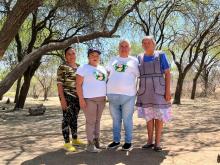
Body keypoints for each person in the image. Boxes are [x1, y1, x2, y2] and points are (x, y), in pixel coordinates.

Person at [136, 36, 172, 152]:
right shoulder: (139, 57)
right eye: (144, 43)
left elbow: (167, 73)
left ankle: (157, 143)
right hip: (144, 91)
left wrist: (167, 91)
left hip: (159, 91)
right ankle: (149, 141)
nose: (146, 45)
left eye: (149, 42)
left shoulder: (161, 55)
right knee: (148, 117)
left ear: (154, 44)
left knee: (159, 116)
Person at [106, 39, 139, 151]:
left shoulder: (134, 61)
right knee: (116, 119)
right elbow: (107, 74)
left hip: (128, 96)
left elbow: (139, 76)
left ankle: (128, 142)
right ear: (118, 47)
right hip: (112, 95)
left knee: (127, 119)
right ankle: (116, 141)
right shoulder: (112, 59)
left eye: (126, 46)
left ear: (129, 48)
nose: (124, 48)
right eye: (121, 46)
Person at [76, 48, 107, 153]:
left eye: (97, 55)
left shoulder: (102, 69)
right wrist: (81, 99)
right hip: (89, 99)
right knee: (90, 122)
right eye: (92, 55)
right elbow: (78, 85)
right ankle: (90, 145)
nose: (95, 57)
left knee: (98, 121)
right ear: (88, 57)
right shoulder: (83, 68)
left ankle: (97, 142)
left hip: (101, 100)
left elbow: (104, 83)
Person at [57, 47, 85, 152]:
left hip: (77, 97)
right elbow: (59, 84)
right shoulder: (62, 67)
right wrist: (62, 99)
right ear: (65, 56)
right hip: (67, 96)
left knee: (74, 119)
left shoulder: (80, 67)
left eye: (73, 53)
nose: (71, 55)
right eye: (69, 54)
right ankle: (67, 143)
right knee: (66, 119)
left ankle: (75, 139)